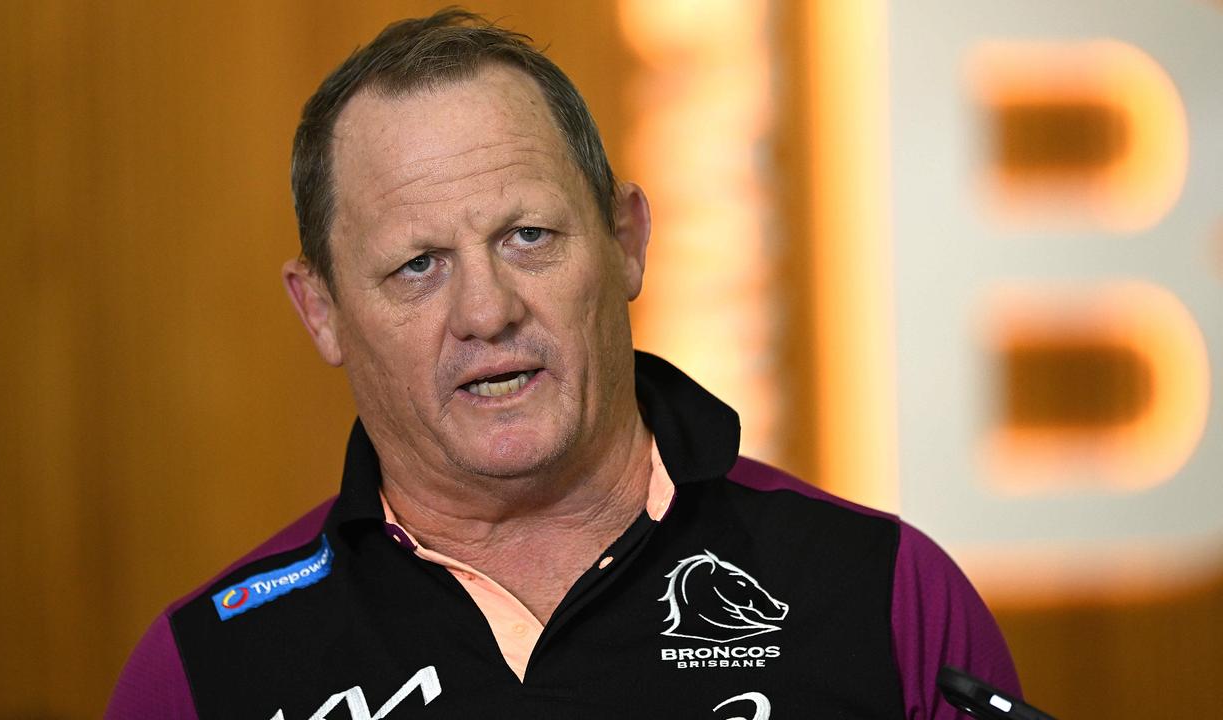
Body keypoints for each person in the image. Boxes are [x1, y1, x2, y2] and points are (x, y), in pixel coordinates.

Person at [106, 9, 1018, 719]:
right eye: (417, 265)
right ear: (322, 310)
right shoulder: (204, 675)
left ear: (626, 240)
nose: (487, 311)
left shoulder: (883, 594)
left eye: (528, 236)